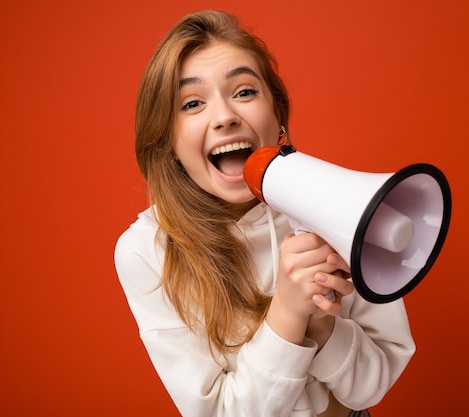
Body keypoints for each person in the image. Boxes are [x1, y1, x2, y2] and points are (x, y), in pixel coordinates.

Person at [114, 10, 415, 417]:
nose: (224, 117)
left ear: (277, 119)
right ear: (168, 139)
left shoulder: (335, 200)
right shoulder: (146, 251)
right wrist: (289, 312)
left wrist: (324, 327)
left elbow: (369, 390)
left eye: (244, 92)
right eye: (192, 103)